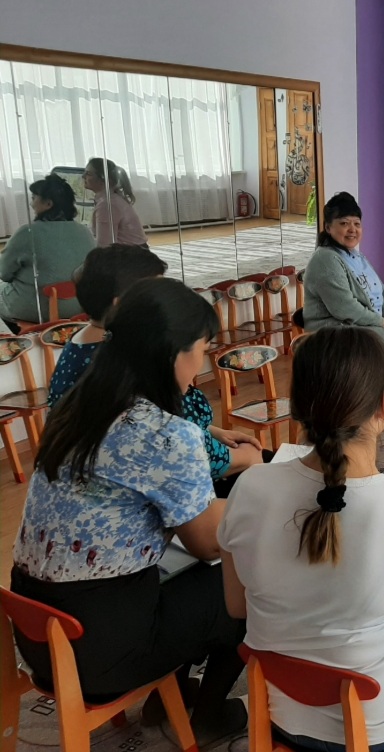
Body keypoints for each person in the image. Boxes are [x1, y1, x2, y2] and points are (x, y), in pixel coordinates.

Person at [11, 277, 247, 744]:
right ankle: (208, 715)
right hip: (101, 652)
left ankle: (166, 698)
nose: (201, 364)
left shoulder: (77, 407)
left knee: (177, 571)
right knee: (240, 580)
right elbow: (206, 542)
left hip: (38, 636)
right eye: (202, 350)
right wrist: (257, 497)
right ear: (173, 353)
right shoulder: (164, 433)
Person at [218, 326, 384, 752]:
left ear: (296, 407)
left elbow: (237, 606)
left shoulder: (250, 486)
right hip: (380, 723)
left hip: (278, 709)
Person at [45, 244, 265, 496]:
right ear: (122, 306)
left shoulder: (90, 342)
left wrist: (212, 432)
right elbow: (172, 447)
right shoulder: (125, 359)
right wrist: (245, 457)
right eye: (156, 294)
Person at [301, 192, 384, 409]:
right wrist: (381, 321)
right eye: (344, 223)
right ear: (328, 227)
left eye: (357, 223)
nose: (352, 229)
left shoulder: (355, 255)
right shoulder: (326, 258)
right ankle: (370, 397)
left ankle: (380, 392)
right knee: (383, 339)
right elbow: (344, 308)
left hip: (356, 322)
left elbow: (379, 288)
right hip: (333, 328)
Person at [0, 174, 95, 327]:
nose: (31, 204)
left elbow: (4, 273)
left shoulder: (27, 232)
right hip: (79, 306)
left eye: (34, 198)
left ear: (48, 204)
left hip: (35, 309)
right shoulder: (85, 232)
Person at [84, 158, 149, 246]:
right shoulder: (111, 199)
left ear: (102, 179)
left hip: (130, 252)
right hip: (133, 250)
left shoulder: (107, 204)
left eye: (88, 174)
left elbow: (104, 245)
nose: (83, 176)